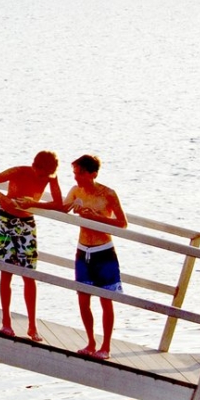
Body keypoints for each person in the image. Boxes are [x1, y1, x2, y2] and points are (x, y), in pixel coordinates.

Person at [0, 151, 62, 342]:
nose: (43, 177)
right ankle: (6, 322)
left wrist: (35, 204)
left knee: (29, 275)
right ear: (35, 166)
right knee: (6, 272)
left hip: (26, 224)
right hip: (5, 221)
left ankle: (32, 326)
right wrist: (2, 197)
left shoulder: (51, 177)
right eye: (41, 173)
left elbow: (58, 203)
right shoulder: (18, 171)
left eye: (47, 174)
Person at [63, 154, 127, 360]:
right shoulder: (76, 191)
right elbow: (62, 208)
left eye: (80, 173)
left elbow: (122, 223)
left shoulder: (108, 194)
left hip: (104, 250)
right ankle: (90, 342)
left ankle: (106, 346)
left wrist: (97, 218)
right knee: (83, 299)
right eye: (75, 173)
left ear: (93, 174)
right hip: (83, 250)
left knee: (106, 300)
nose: (76, 177)